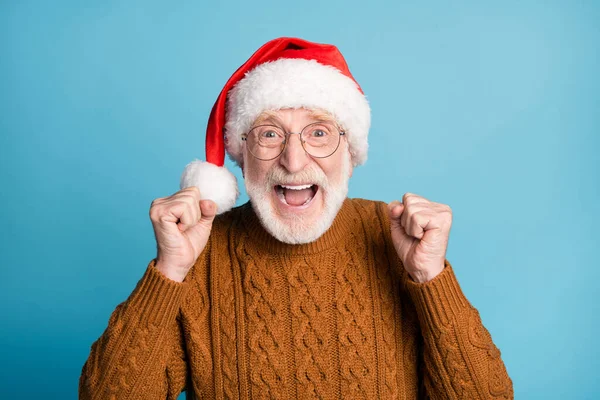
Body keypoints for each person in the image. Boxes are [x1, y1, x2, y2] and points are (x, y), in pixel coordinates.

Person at [79, 37, 513, 399]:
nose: (292, 158)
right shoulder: (201, 251)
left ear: (351, 151)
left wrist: (431, 278)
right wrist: (169, 271)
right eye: (270, 134)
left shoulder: (400, 239)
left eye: (319, 133)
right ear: (242, 153)